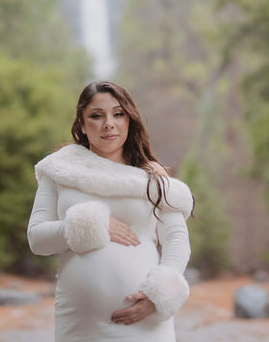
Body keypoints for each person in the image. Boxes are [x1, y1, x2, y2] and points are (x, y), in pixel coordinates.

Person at [27, 81, 194, 342]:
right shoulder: (60, 170)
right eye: (96, 115)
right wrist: (92, 225)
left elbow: (177, 240)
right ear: (82, 124)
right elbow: (37, 239)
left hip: (145, 322)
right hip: (80, 325)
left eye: (118, 114)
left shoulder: (152, 177)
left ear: (129, 120)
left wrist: (159, 295)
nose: (109, 123)